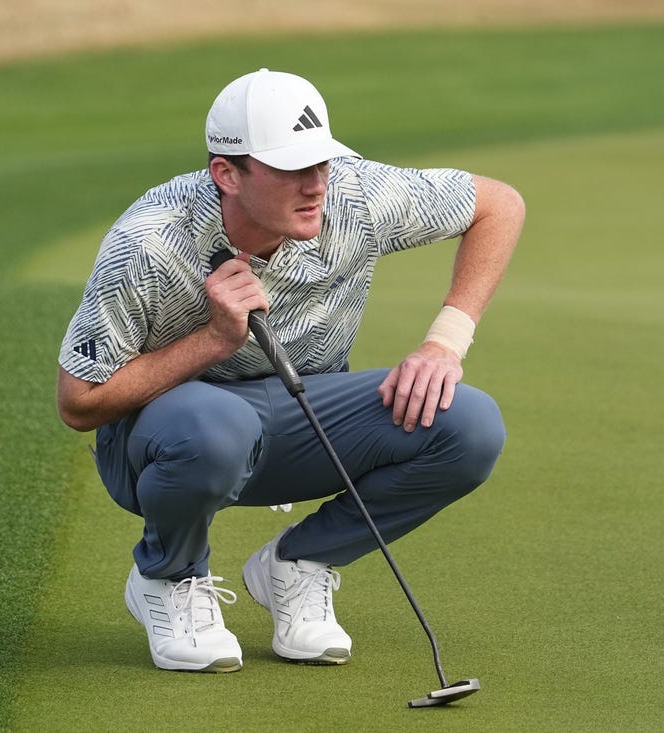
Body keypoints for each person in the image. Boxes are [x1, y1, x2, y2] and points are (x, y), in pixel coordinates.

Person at [56, 68, 524, 673]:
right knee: (215, 425)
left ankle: (299, 564)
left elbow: (499, 205)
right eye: (292, 169)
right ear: (227, 174)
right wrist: (214, 339)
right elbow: (78, 404)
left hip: (303, 420)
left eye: (322, 162)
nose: (316, 185)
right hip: (164, 443)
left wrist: (445, 343)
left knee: (469, 425)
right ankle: (168, 578)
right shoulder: (149, 244)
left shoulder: (355, 195)